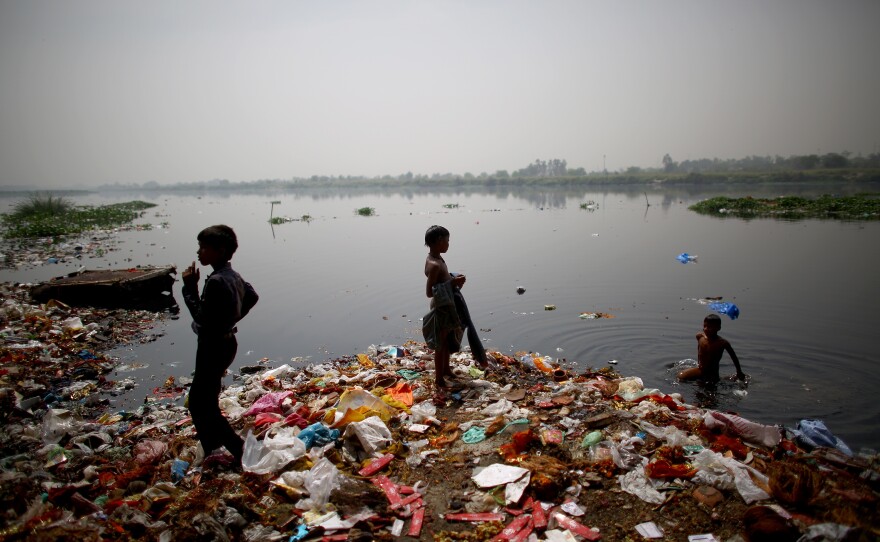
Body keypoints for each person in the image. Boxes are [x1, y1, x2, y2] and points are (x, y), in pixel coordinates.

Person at [182, 225, 258, 469]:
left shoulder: (215, 281)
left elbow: (202, 318)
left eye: (204, 248)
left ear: (220, 250)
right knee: (205, 398)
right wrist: (232, 318)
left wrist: (189, 289)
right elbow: (252, 295)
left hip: (212, 346)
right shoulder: (231, 275)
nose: (199, 252)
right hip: (226, 342)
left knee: (200, 403)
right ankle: (212, 448)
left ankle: (237, 449)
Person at [423, 225, 479, 391]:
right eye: (447, 241)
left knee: (447, 340)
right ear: (439, 241)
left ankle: (446, 369)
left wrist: (453, 278)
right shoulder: (433, 264)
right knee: (440, 344)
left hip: (447, 305)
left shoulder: (439, 258)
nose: (448, 244)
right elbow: (429, 292)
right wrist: (452, 283)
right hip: (440, 308)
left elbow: (442, 281)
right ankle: (439, 379)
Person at [678, 314, 745, 382]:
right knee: (681, 376)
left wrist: (739, 372)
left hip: (712, 374)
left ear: (718, 328)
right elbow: (699, 350)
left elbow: (734, 357)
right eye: (705, 326)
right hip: (701, 369)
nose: (706, 329)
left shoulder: (722, 343)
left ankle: (729, 379)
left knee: (709, 389)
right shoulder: (700, 337)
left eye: (709, 327)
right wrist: (699, 363)